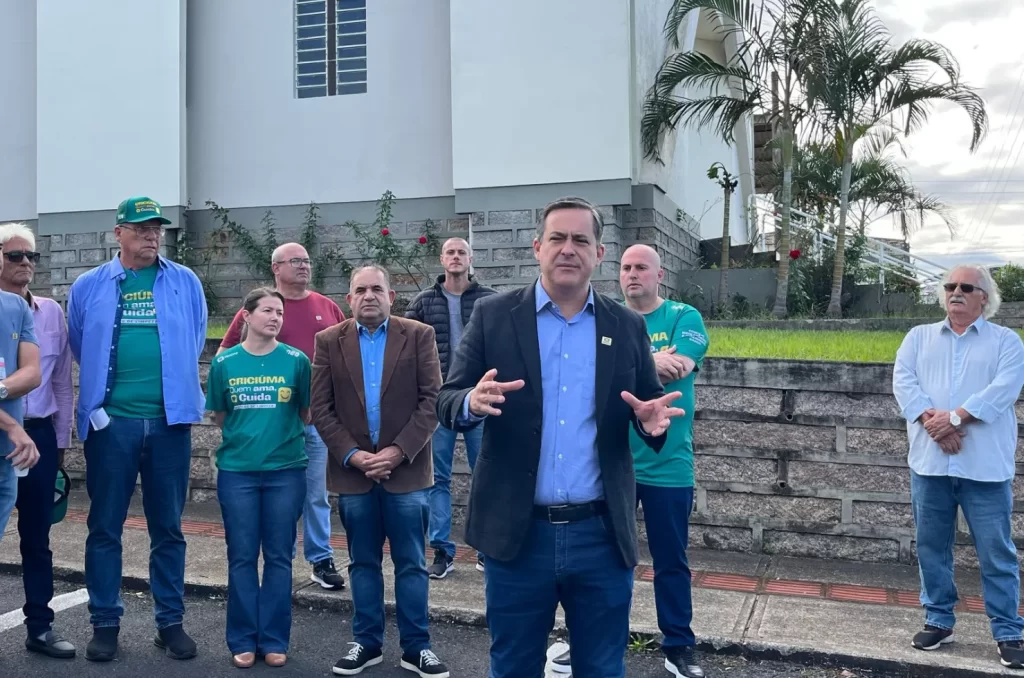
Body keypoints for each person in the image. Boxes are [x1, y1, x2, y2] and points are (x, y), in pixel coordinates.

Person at [436, 196, 685, 678]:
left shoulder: (626, 325)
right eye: (557, 238)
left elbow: (648, 408)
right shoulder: (492, 315)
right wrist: (471, 401)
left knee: (602, 668)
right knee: (513, 667)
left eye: (580, 240)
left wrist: (650, 424)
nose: (567, 249)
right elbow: (447, 399)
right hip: (517, 534)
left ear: (599, 253)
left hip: (600, 534)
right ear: (537, 247)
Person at [546, 245, 709, 678]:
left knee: (670, 560)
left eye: (641, 268)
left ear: (660, 274)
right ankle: (581, 644)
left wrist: (638, 362)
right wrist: (646, 361)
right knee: (594, 563)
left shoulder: (683, 317)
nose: (632, 275)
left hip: (668, 465)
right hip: (611, 467)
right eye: (625, 268)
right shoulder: (608, 318)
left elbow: (678, 367)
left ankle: (678, 647)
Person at [67, 196, 207, 663]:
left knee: (168, 527)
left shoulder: (184, 281)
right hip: (113, 425)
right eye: (142, 228)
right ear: (118, 233)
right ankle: (105, 622)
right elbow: (78, 341)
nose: (152, 235)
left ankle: (170, 623)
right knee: (104, 526)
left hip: (170, 424)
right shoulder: (90, 286)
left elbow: (196, 336)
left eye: (157, 228)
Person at [310, 265, 449, 677]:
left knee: (411, 563)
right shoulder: (328, 341)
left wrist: (396, 452)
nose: (369, 296)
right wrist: (353, 455)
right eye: (360, 290)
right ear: (348, 299)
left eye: (377, 289)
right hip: (354, 474)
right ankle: (366, 642)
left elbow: (432, 401)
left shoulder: (418, 335)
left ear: (391, 296)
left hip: (405, 474)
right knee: (362, 562)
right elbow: (321, 408)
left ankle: (416, 647)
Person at [892, 264, 1024, 670]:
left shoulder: (1007, 342)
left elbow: (1002, 391)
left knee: (995, 551)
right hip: (930, 464)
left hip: (984, 469)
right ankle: (938, 619)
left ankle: (1008, 630)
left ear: (985, 297)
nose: (957, 292)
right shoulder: (919, 337)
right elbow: (903, 381)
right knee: (932, 547)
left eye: (968, 287)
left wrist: (953, 419)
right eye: (950, 286)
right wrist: (937, 424)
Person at [218, 242, 347, 591]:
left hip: (317, 419)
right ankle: (282, 560)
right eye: (295, 261)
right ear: (276, 267)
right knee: (284, 498)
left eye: (307, 260)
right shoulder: (261, 309)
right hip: (272, 425)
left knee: (316, 493)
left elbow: (347, 355)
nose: (304, 266)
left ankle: (321, 558)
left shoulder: (327, 306)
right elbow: (225, 356)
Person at [207, 287, 312, 669]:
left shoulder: (297, 361)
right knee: (242, 556)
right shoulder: (224, 364)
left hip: (286, 471)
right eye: (267, 310)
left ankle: (274, 639)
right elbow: (219, 416)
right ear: (246, 317)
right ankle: (242, 638)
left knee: (280, 557)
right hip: (238, 473)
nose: (275, 317)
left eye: (280, 312)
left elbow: (305, 413)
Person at [0, 223, 76, 659]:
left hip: (40, 435)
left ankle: (41, 627)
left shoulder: (50, 311)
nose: (26, 262)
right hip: (4, 430)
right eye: (15, 255)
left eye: (31, 256)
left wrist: (61, 445)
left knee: (37, 536)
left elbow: (62, 380)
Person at [405, 237, 496, 578]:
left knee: (486, 473)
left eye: (462, 252)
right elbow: (405, 348)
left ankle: (487, 547)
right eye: (450, 252)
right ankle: (442, 551)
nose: (456, 257)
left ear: (471, 259)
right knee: (437, 477)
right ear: (442, 259)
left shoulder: (490, 300)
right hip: (438, 401)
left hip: (480, 399)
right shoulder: (424, 301)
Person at [0, 232, 42, 540]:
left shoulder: (16, 306)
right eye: (13, 255)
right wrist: (13, 426)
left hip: (6, 455)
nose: (23, 261)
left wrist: (1, 389)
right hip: (13, 438)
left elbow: (32, 373)